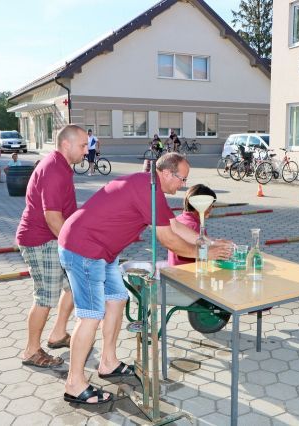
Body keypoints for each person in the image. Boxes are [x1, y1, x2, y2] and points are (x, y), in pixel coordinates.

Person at [57, 152, 232, 405]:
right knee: (91, 315)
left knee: (117, 300)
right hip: (83, 249)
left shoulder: (151, 187)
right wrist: (206, 254)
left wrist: (211, 243)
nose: (183, 185)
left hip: (103, 251)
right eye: (182, 179)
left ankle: (108, 362)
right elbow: (169, 240)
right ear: (167, 173)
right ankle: (74, 383)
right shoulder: (147, 189)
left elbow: (175, 226)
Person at [16, 125, 88, 369]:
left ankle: (57, 334)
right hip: (41, 241)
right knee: (45, 297)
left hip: (52, 238)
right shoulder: (54, 169)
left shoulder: (61, 166)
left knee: (73, 286)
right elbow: (53, 217)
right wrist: (75, 248)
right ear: (66, 144)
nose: (86, 151)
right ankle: (31, 351)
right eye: (83, 145)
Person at [168, 184, 216, 266]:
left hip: (174, 269)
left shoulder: (178, 219)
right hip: (189, 271)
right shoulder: (194, 226)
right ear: (201, 205)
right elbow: (204, 256)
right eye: (211, 205)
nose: (212, 208)